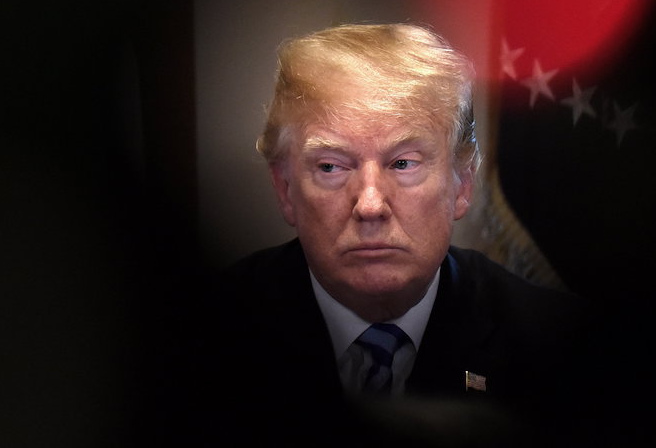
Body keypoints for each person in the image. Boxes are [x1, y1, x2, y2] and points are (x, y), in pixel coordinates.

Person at [200, 22, 591, 445]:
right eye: (331, 166)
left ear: (462, 183)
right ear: (285, 188)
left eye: (403, 163)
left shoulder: (562, 348)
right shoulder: (198, 341)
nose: (370, 205)